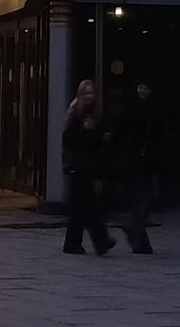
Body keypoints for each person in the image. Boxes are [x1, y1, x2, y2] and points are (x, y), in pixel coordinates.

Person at [60, 78, 113, 255]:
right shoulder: (75, 113)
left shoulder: (95, 114)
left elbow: (94, 141)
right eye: (86, 93)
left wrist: (103, 137)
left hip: (89, 165)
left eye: (91, 93)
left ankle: (94, 241)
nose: (89, 96)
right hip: (78, 165)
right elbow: (68, 139)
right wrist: (83, 129)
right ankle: (97, 241)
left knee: (85, 205)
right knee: (85, 205)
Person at [111, 81, 162, 253]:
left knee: (141, 199)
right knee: (139, 198)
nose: (142, 91)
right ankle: (139, 239)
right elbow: (121, 134)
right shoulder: (128, 110)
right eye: (140, 87)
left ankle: (135, 233)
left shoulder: (154, 110)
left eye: (146, 88)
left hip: (146, 159)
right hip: (132, 159)